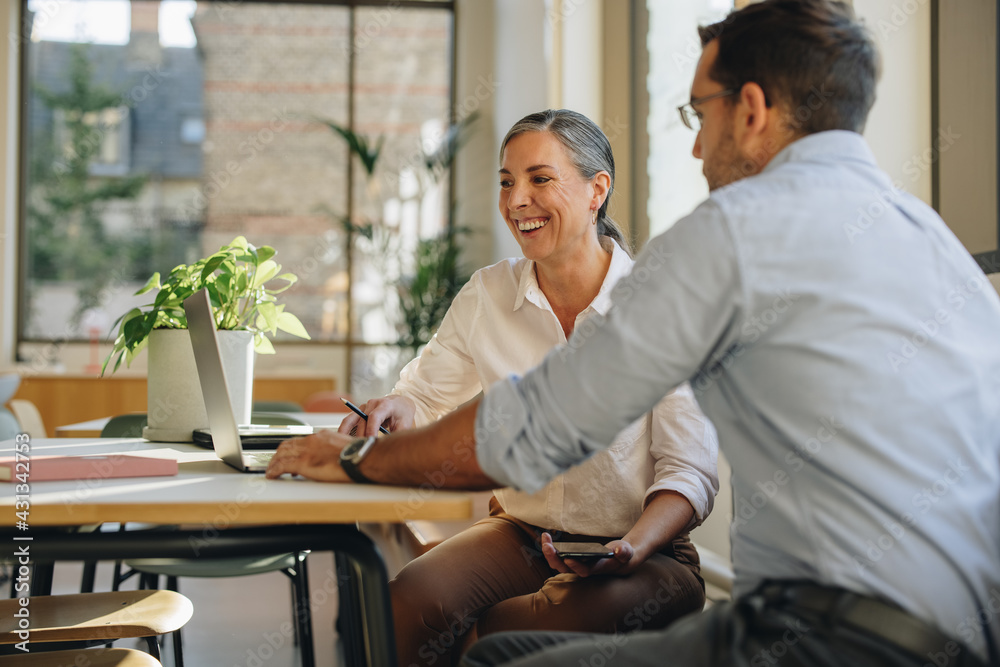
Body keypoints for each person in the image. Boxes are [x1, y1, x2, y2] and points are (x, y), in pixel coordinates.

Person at [266, 1, 1000, 665]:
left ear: (750, 109)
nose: (695, 148)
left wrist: (359, 460)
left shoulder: (731, 236)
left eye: (697, 115)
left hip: (821, 635)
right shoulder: (932, 242)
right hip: (973, 629)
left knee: (498, 657)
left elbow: (541, 425)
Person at [335, 109, 719, 666]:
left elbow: (689, 470)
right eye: (507, 182)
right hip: (519, 531)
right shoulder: (488, 294)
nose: (517, 200)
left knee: (509, 632)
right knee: (406, 604)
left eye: (540, 179)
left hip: (646, 553)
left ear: (597, 190)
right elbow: (424, 395)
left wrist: (632, 545)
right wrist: (395, 407)